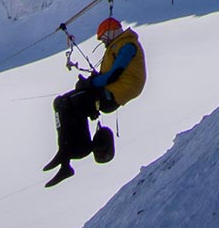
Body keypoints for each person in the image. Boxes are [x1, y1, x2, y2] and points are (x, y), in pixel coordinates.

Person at [43, 16, 147, 187]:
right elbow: (112, 73)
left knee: (67, 105)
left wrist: (92, 83)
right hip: (111, 91)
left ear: (112, 32)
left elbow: (115, 74)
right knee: (64, 104)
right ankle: (65, 156)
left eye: (104, 37)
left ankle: (69, 154)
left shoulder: (127, 45)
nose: (103, 41)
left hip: (114, 94)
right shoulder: (119, 45)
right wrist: (92, 82)